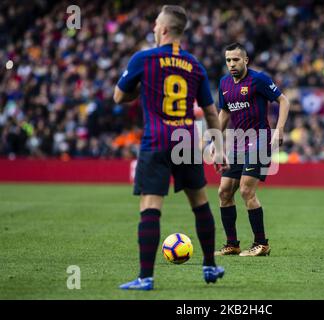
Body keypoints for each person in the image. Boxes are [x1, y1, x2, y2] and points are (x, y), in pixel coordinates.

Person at [113, 5, 228, 290]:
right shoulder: (194, 64)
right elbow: (211, 112)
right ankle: (210, 267)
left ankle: (146, 277)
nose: (153, 29)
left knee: (150, 206)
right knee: (200, 203)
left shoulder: (144, 59)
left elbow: (118, 97)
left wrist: (144, 87)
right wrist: (219, 147)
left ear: (163, 29)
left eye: (155, 25)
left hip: (157, 139)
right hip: (187, 140)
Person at [212, 43, 290, 257]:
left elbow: (283, 101)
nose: (231, 64)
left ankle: (261, 243)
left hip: (260, 139)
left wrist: (279, 129)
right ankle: (232, 244)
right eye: (228, 60)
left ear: (245, 60)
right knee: (224, 192)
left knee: (246, 190)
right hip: (237, 142)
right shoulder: (224, 83)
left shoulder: (259, 79)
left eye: (236, 59)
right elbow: (224, 113)